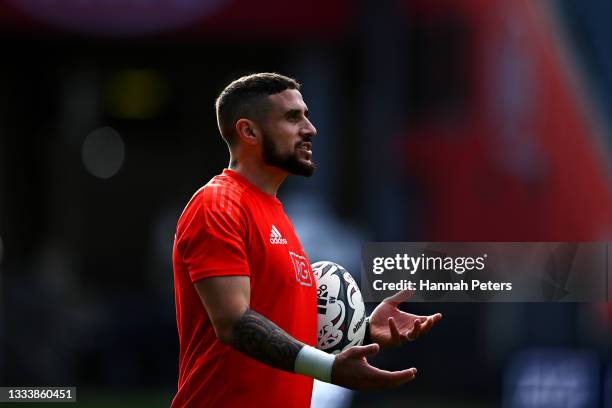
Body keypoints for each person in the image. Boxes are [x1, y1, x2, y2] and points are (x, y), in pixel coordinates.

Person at [171, 73, 442, 407]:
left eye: (307, 116)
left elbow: (282, 331)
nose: (310, 129)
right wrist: (330, 369)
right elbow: (233, 322)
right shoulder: (218, 204)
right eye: (292, 117)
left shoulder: (277, 216)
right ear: (249, 131)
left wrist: (362, 330)